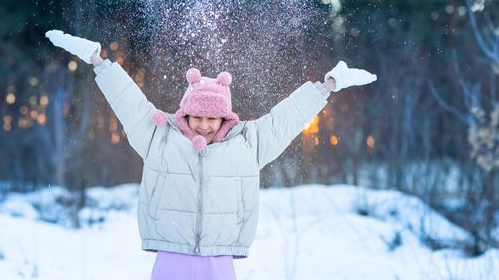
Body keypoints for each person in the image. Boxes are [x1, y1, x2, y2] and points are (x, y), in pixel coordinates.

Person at [45, 30, 377, 280]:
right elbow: (129, 103)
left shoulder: (247, 143)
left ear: (225, 117)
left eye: (212, 117)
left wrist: (328, 85)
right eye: (197, 116)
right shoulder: (160, 137)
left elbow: (284, 119)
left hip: (219, 257)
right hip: (172, 253)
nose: (204, 124)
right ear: (185, 114)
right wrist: (98, 62)